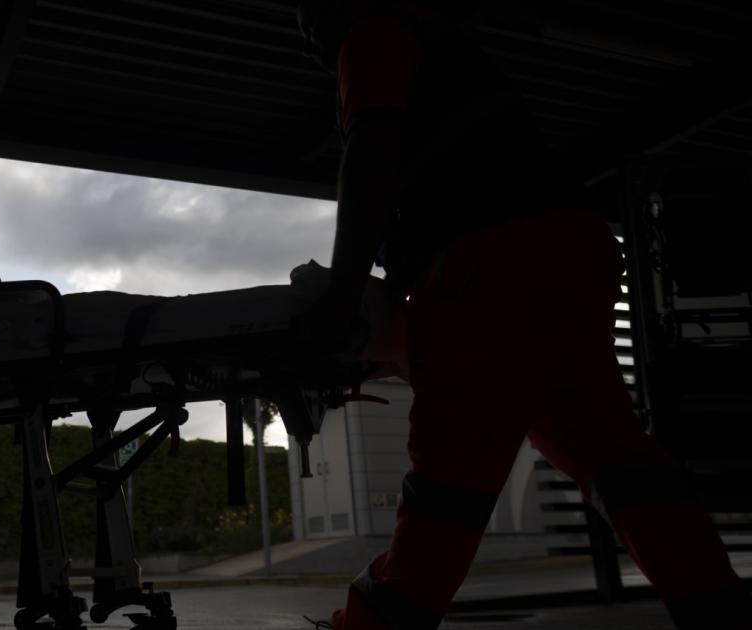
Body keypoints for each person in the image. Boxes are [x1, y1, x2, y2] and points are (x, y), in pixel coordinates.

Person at [295, 2, 750, 628]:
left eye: (311, 14)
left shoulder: (371, 33)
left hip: (492, 262)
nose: (307, 35)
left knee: (449, 479)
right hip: (566, 250)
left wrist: (342, 295)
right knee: (611, 457)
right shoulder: (441, 55)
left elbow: (372, 152)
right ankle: (719, 610)